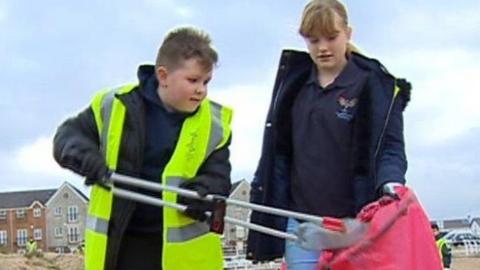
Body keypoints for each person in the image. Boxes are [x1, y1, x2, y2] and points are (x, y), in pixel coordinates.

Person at [246, 0, 411, 269]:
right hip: (300, 224)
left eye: (331, 37)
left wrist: (392, 183)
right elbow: (277, 151)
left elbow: (391, 148)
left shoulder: (377, 86)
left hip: (355, 225)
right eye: (313, 40)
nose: (322, 48)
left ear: (348, 33)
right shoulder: (293, 84)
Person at [53, 26, 233, 270]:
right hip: (122, 246)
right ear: (163, 75)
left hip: (183, 258)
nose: (201, 89)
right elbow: (68, 137)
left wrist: (204, 192)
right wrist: (88, 160)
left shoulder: (215, 125)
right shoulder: (114, 104)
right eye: (193, 80)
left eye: (206, 81)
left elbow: (218, 176)